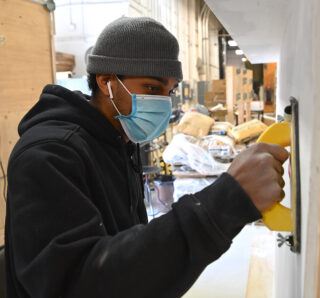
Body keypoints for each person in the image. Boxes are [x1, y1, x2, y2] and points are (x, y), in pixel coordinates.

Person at [5, 17, 288, 298]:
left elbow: (124, 251)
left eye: (170, 91)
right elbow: (80, 283)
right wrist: (224, 201)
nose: (164, 102)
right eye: (153, 88)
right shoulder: (49, 155)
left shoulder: (118, 140)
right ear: (106, 82)